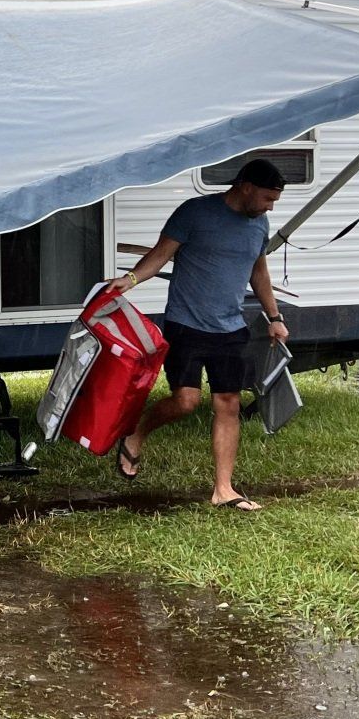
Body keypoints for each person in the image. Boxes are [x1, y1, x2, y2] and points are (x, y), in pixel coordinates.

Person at [113, 158, 289, 510]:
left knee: (228, 404)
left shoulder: (259, 224)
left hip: (230, 328)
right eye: (268, 198)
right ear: (246, 187)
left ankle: (223, 489)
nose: (271, 206)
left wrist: (274, 316)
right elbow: (161, 254)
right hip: (187, 324)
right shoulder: (194, 212)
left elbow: (259, 271)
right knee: (185, 402)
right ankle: (137, 433)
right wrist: (129, 280)